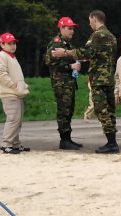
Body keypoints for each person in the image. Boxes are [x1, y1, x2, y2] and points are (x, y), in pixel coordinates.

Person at [52, 10, 119, 154]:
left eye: (90, 20)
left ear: (94, 19)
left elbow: (87, 53)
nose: (89, 23)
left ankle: (111, 143)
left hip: (99, 79)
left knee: (101, 110)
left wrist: (65, 53)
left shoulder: (97, 35)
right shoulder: (112, 36)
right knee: (110, 110)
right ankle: (113, 141)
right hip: (109, 78)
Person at [44, 17, 82, 150]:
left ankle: (68, 139)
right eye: (69, 28)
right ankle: (64, 140)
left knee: (69, 110)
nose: (72, 31)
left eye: (73, 29)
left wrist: (75, 65)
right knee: (64, 110)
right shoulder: (56, 43)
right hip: (61, 83)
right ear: (61, 28)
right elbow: (50, 62)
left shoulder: (68, 45)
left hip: (69, 82)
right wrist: (70, 67)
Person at [0, 32, 29, 154]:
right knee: (13, 119)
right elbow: (0, 73)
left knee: (17, 120)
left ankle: (15, 144)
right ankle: (6, 144)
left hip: (15, 93)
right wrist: (12, 85)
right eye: (9, 43)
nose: (12, 46)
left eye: (13, 43)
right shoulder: (1, 56)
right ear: (2, 44)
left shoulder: (11, 56)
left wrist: (22, 85)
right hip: (9, 93)